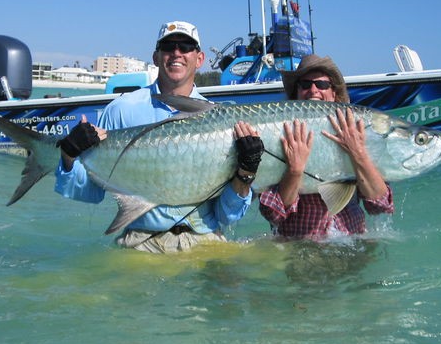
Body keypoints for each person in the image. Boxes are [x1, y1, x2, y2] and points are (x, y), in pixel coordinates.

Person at [54, 20, 264, 253]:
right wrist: (68, 155)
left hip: (205, 241)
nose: (177, 53)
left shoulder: (222, 120)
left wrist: (246, 174)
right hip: (142, 243)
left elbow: (227, 215)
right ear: (156, 57)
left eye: (185, 47)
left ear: (200, 59)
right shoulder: (121, 110)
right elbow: (89, 192)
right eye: (168, 47)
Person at [259, 54, 394, 240]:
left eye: (322, 85)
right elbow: (273, 214)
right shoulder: (280, 133)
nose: (313, 90)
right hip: (303, 252)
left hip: (353, 248)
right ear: (296, 92)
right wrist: (295, 170)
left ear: (334, 93)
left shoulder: (357, 132)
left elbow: (380, 206)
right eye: (305, 84)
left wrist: (358, 154)